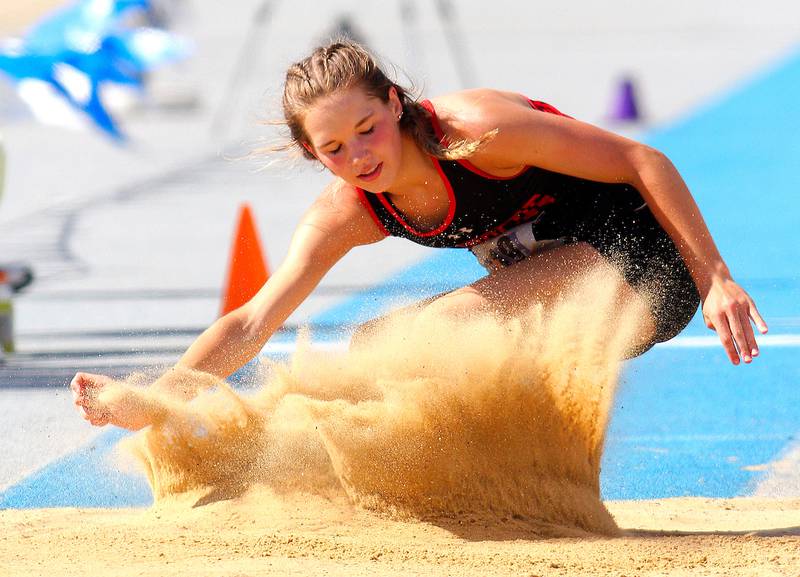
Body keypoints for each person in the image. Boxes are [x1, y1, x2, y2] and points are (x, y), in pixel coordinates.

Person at [72, 41, 767, 430]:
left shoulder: (478, 132)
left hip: (650, 263)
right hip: (553, 282)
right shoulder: (347, 210)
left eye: (367, 129)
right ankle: (494, 490)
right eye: (335, 148)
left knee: (443, 326)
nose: (360, 157)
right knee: (375, 347)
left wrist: (717, 278)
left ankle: (265, 424)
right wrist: (159, 395)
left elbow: (643, 160)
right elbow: (254, 318)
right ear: (315, 155)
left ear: (395, 104)